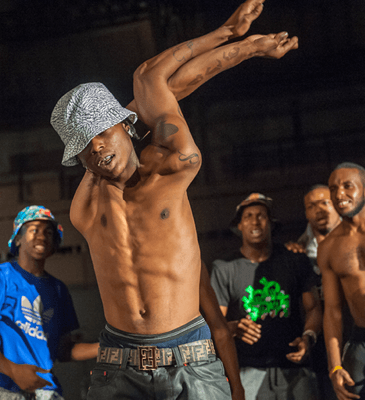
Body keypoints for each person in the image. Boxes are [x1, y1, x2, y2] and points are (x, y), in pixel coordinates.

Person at [49, 1, 299, 399]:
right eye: (84, 145)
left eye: (102, 133)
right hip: (118, 367)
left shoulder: (172, 165)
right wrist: (237, 40)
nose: (96, 148)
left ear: (124, 126)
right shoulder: (87, 206)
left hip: (189, 359)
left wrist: (236, 38)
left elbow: (152, 78)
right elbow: (159, 91)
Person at [210, 193, 322, 400]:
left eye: (261, 215)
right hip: (248, 370)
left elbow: (313, 307)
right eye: (248, 216)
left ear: (271, 223)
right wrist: (234, 327)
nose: (255, 221)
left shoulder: (294, 260)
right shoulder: (224, 268)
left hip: (295, 368)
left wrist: (309, 337)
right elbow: (216, 323)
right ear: (239, 226)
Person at [0, 205, 99, 400]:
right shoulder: (0, 277)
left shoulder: (59, 289)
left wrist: (106, 347)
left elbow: (64, 351)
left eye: (48, 232)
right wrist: (13, 371)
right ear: (18, 239)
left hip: (45, 390)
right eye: (34, 230)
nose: (42, 236)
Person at [318, 162, 365, 400]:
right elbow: (333, 311)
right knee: (349, 392)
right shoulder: (328, 247)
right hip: (362, 338)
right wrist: (334, 366)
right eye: (333, 188)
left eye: (347, 186)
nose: (339, 194)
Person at [286, 185, 341, 399]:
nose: (319, 209)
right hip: (319, 342)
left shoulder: (357, 240)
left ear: (337, 205)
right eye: (312, 205)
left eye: (325, 202)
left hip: (359, 333)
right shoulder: (297, 253)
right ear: (306, 213)